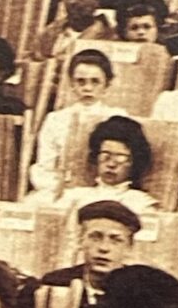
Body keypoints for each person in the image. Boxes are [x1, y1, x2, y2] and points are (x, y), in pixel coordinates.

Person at [28, 47, 125, 199]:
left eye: (95, 82)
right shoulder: (56, 119)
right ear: (72, 84)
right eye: (81, 82)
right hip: (63, 191)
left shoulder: (117, 118)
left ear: (107, 85)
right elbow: (44, 167)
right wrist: (59, 188)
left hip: (105, 192)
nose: (87, 88)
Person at [55, 115, 157, 220]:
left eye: (120, 157)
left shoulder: (142, 204)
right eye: (105, 155)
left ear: (134, 162)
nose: (111, 164)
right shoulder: (73, 197)